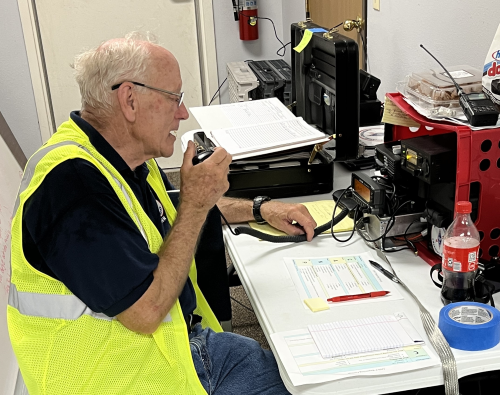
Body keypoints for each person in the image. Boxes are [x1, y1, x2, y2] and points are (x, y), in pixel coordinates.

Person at [7, 32, 317, 395]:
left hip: (177, 349)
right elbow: (146, 312)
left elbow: (168, 211)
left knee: (298, 373)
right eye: (175, 98)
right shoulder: (73, 187)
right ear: (130, 100)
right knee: (310, 381)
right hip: (128, 377)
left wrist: (259, 208)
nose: (183, 112)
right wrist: (197, 202)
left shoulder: (123, 157)